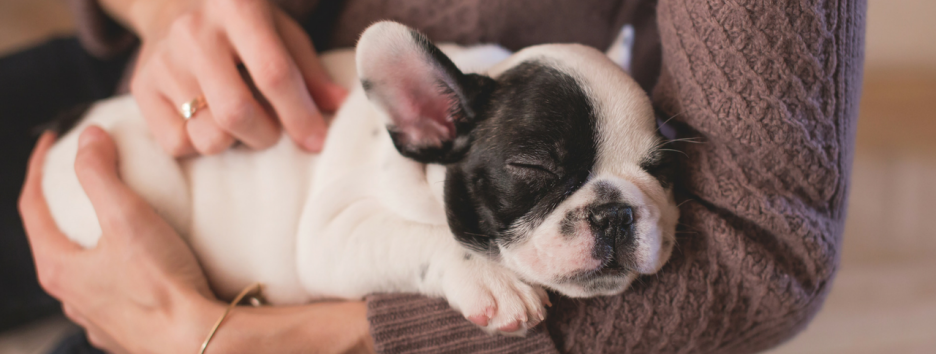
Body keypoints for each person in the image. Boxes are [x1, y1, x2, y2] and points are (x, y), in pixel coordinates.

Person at [11, 0, 866, 352]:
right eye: (540, 176)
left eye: (651, 175)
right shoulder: (428, 130)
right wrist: (167, 10)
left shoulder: (500, 123)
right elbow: (332, 242)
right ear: (425, 125)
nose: (611, 216)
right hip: (153, 141)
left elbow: (763, 248)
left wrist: (232, 337)